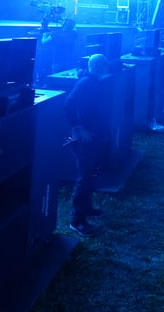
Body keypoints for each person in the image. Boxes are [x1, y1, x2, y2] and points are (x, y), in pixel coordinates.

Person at [64, 53, 113, 236]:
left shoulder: (96, 82)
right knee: (84, 177)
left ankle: (87, 207)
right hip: (86, 139)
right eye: (105, 64)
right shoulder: (85, 83)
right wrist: (78, 128)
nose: (108, 66)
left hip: (95, 137)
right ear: (98, 65)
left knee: (92, 174)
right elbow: (68, 104)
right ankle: (77, 221)